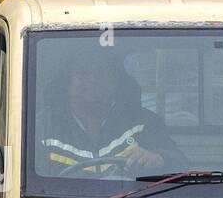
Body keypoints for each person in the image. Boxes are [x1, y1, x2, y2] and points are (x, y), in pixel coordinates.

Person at [37, 56, 186, 177]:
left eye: (101, 73)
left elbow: (180, 165)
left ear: (115, 82)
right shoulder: (43, 126)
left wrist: (158, 158)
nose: (92, 79)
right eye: (82, 73)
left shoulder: (143, 122)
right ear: (66, 83)